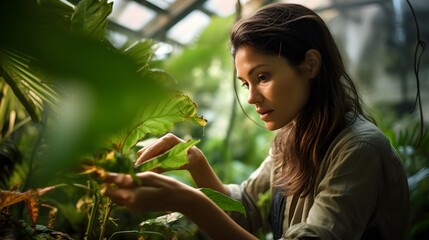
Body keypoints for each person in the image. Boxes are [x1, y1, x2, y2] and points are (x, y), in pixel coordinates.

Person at [103, 3, 410, 239]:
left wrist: (191, 203)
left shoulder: (358, 150)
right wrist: (195, 161)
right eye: (245, 84)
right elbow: (246, 209)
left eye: (263, 76)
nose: (251, 97)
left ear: (310, 64)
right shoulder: (292, 140)